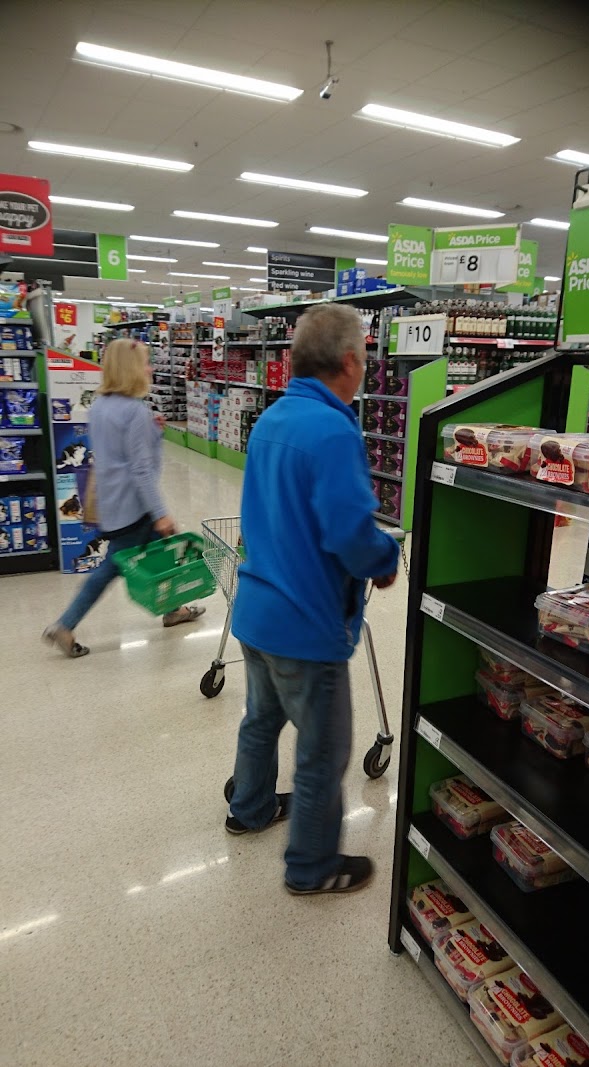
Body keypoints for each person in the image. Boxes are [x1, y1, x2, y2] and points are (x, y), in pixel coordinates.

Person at [227, 303, 399, 896]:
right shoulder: (332, 431)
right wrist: (385, 559)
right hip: (305, 625)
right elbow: (350, 534)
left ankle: (249, 807)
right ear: (349, 362)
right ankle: (311, 866)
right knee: (324, 752)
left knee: (260, 719)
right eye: (365, 358)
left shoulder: (272, 418)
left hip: (255, 609)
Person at [43, 338, 204, 658]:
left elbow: (117, 453)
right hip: (134, 506)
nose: (150, 368)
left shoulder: (100, 406)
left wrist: (152, 433)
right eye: (145, 363)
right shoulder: (135, 411)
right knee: (122, 562)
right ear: (131, 369)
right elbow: (142, 470)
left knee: (149, 553)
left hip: (109, 503)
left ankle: (173, 609)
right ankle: (65, 624)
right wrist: (160, 513)